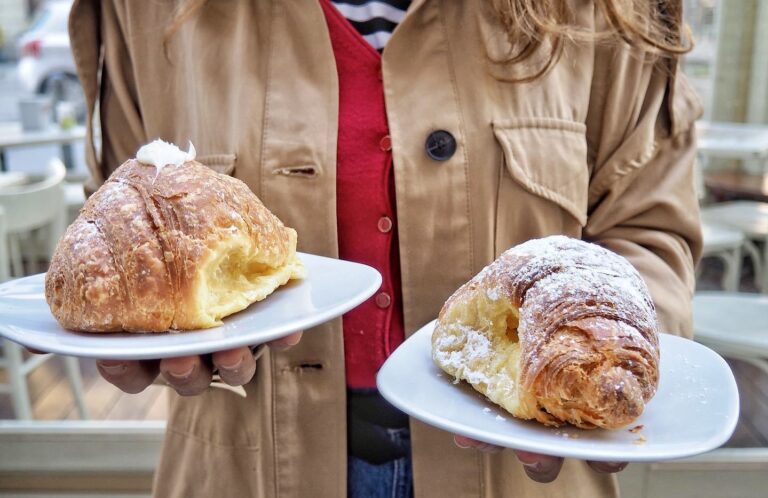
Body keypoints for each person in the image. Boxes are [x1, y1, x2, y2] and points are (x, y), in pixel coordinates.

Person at [65, 0, 702, 496]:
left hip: (531, 476)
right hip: (242, 469)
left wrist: (601, 368)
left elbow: (650, 230)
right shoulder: (146, 12)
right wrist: (145, 329)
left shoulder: (612, 13)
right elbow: (123, 216)